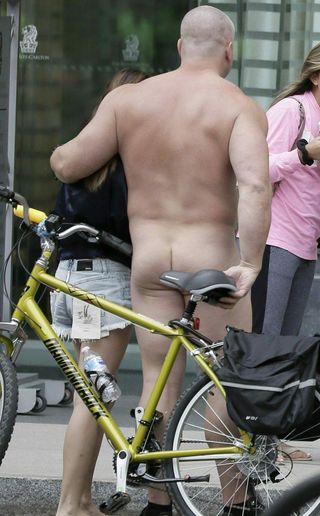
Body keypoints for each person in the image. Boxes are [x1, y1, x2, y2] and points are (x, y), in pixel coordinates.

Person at [50, 6, 271, 516]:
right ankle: (236, 501)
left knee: (157, 381)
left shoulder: (127, 101)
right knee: (228, 376)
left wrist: (58, 154)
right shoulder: (236, 106)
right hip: (212, 261)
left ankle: (158, 500)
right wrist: (253, 262)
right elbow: (257, 186)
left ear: (179, 46)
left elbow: (69, 163)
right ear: (229, 51)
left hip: (151, 262)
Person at [52, 68, 146, 516]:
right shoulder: (127, 163)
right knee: (91, 400)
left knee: (87, 397)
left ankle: (82, 500)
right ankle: (71, 504)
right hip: (101, 285)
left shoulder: (83, 154)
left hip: (71, 277)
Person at [251, 41, 320, 338]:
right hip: (275, 239)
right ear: (315, 76)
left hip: (307, 243)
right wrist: (304, 154)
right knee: (264, 336)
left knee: (287, 338)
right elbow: (258, 169)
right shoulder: (291, 109)